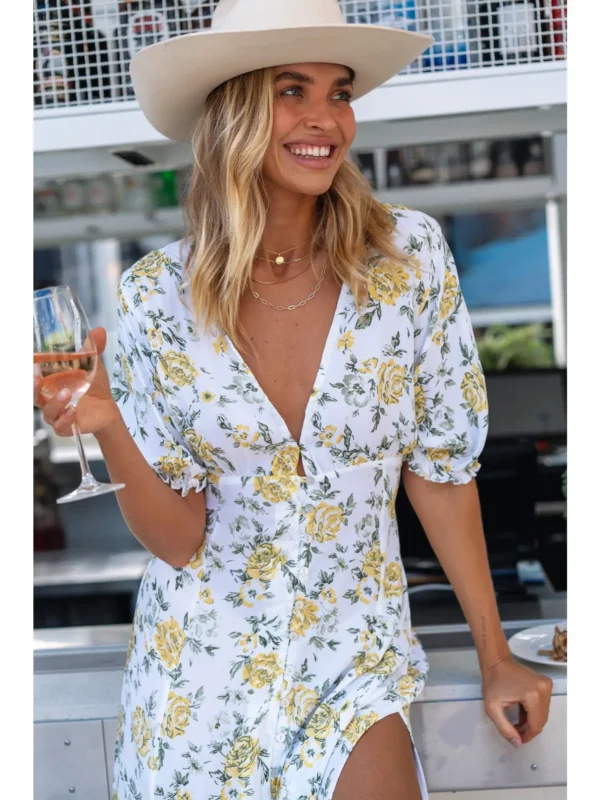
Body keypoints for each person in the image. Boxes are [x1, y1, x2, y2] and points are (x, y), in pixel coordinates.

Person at [35, 1, 553, 798]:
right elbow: (178, 541)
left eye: (339, 93)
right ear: (235, 111)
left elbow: (442, 473)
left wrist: (495, 656)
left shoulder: (407, 259)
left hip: (357, 665)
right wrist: (106, 426)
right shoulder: (154, 298)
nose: (326, 119)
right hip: (195, 686)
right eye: (292, 90)